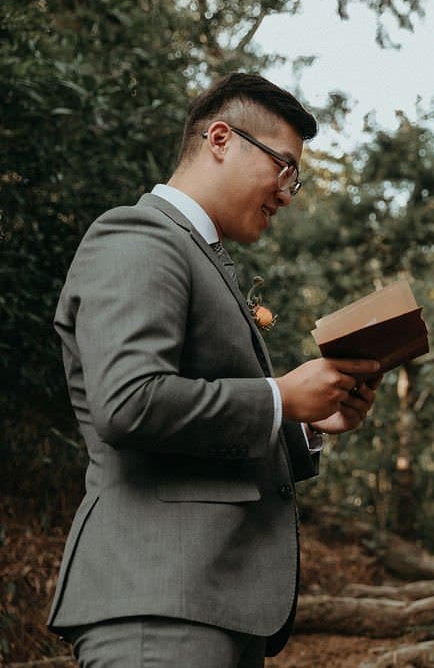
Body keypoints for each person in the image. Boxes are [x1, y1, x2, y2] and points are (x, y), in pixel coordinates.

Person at [48, 72, 381, 665]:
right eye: (283, 167)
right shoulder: (137, 235)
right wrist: (279, 397)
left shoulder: (198, 254)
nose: (286, 192)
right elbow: (131, 403)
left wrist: (305, 423)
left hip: (209, 603)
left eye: (294, 178)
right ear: (221, 139)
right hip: (157, 602)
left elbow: (194, 417)